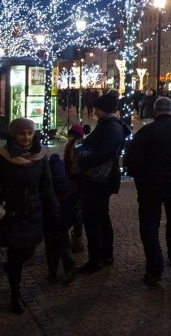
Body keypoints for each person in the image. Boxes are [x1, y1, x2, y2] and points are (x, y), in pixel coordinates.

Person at [0, 117, 58, 314]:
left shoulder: (41, 155)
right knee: (16, 254)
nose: (26, 137)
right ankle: (15, 294)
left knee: (29, 250)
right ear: (14, 135)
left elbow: (47, 184)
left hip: (34, 210)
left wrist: (54, 208)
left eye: (29, 133)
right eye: (21, 133)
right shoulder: (3, 156)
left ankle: (12, 268)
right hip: (12, 211)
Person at [125, 97, 171, 283]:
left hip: (150, 185)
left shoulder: (146, 132)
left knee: (149, 225)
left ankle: (155, 266)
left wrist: (140, 178)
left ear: (155, 111)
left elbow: (132, 160)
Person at [73, 93, 125, 273]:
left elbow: (106, 151)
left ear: (103, 109)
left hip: (101, 178)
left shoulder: (111, 126)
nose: (94, 112)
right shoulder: (109, 125)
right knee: (101, 216)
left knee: (92, 217)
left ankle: (96, 259)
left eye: (96, 109)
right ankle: (105, 255)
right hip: (101, 178)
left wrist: (82, 163)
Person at [45, 151, 78, 284]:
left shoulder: (47, 188)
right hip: (64, 221)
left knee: (51, 248)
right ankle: (69, 267)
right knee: (64, 245)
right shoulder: (68, 185)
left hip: (49, 221)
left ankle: (52, 274)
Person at [63, 124, 86, 253]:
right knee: (75, 210)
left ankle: (77, 239)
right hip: (74, 182)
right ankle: (76, 238)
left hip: (75, 182)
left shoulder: (74, 146)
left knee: (76, 210)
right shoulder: (73, 146)